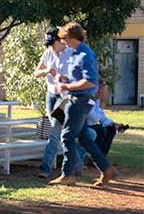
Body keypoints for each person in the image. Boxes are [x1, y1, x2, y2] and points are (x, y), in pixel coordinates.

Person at [49, 22, 118, 187]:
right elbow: (78, 78)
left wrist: (66, 86)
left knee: (67, 136)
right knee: (85, 138)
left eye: (64, 38)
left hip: (80, 101)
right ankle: (107, 169)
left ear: (72, 37)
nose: (63, 41)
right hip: (78, 99)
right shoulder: (75, 53)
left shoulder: (85, 54)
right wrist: (63, 78)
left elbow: (89, 82)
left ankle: (67, 174)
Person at [33, 27, 73, 178]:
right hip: (51, 95)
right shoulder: (48, 53)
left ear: (59, 40)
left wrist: (64, 78)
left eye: (52, 42)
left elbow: (76, 76)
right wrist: (47, 70)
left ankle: (47, 168)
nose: (49, 46)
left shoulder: (69, 53)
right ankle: (65, 166)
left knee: (57, 132)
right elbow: (36, 73)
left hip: (65, 97)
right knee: (56, 132)